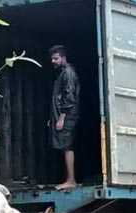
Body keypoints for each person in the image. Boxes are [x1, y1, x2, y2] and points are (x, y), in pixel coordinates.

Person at [48, 45, 80, 191]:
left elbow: (69, 97)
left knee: (67, 146)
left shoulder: (68, 73)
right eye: (52, 59)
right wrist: (53, 117)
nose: (53, 61)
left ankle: (71, 180)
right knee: (64, 145)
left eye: (56, 58)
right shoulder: (63, 73)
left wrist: (61, 118)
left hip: (67, 116)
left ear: (63, 58)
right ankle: (69, 179)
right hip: (62, 115)